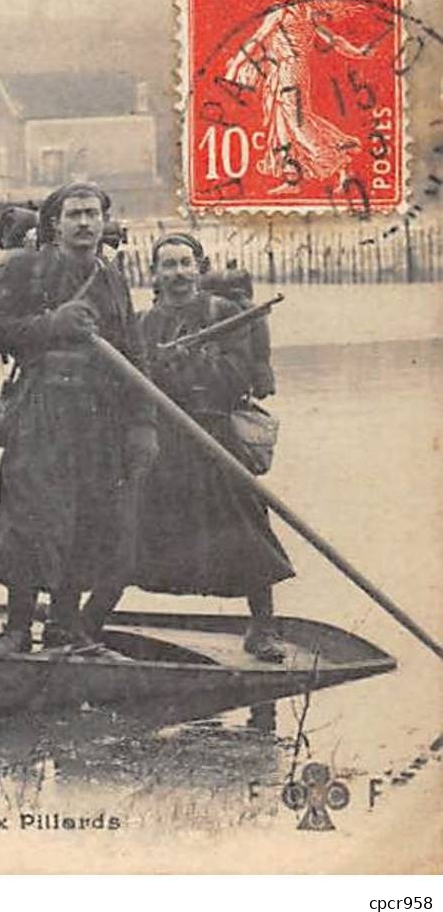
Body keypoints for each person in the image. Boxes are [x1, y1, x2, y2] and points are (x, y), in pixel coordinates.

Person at [0, 183, 158, 655]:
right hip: (41, 410)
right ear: (54, 223)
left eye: (93, 214)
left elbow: (133, 354)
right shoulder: (28, 269)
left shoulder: (110, 276)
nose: (85, 223)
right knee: (30, 515)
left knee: (89, 515)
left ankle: (64, 626)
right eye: (74, 214)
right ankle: (16, 628)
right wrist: (52, 325)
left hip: (99, 416)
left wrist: (143, 424)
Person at [135, 233, 293, 662]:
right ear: (155, 274)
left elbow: (239, 374)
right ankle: (89, 624)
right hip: (164, 442)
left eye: (186, 263)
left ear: (199, 268)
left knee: (246, 531)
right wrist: (160, 370)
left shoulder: (223, 312)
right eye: (168, 265)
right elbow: (133, 385)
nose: (179, 273)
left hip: (216, 437)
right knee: (130, 530)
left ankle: (262, 629)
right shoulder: (144, 324)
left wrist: (192, 361)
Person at [224, 0, 372, 196]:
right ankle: (293, 180)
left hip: (287, 71)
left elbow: (256, 40)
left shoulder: (281, 12)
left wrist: (235, 66)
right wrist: (357, 52)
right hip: (295, 70)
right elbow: (334, 40)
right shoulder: (308, 11)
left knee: (297, 124)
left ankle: (339, 163)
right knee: (283, 124)